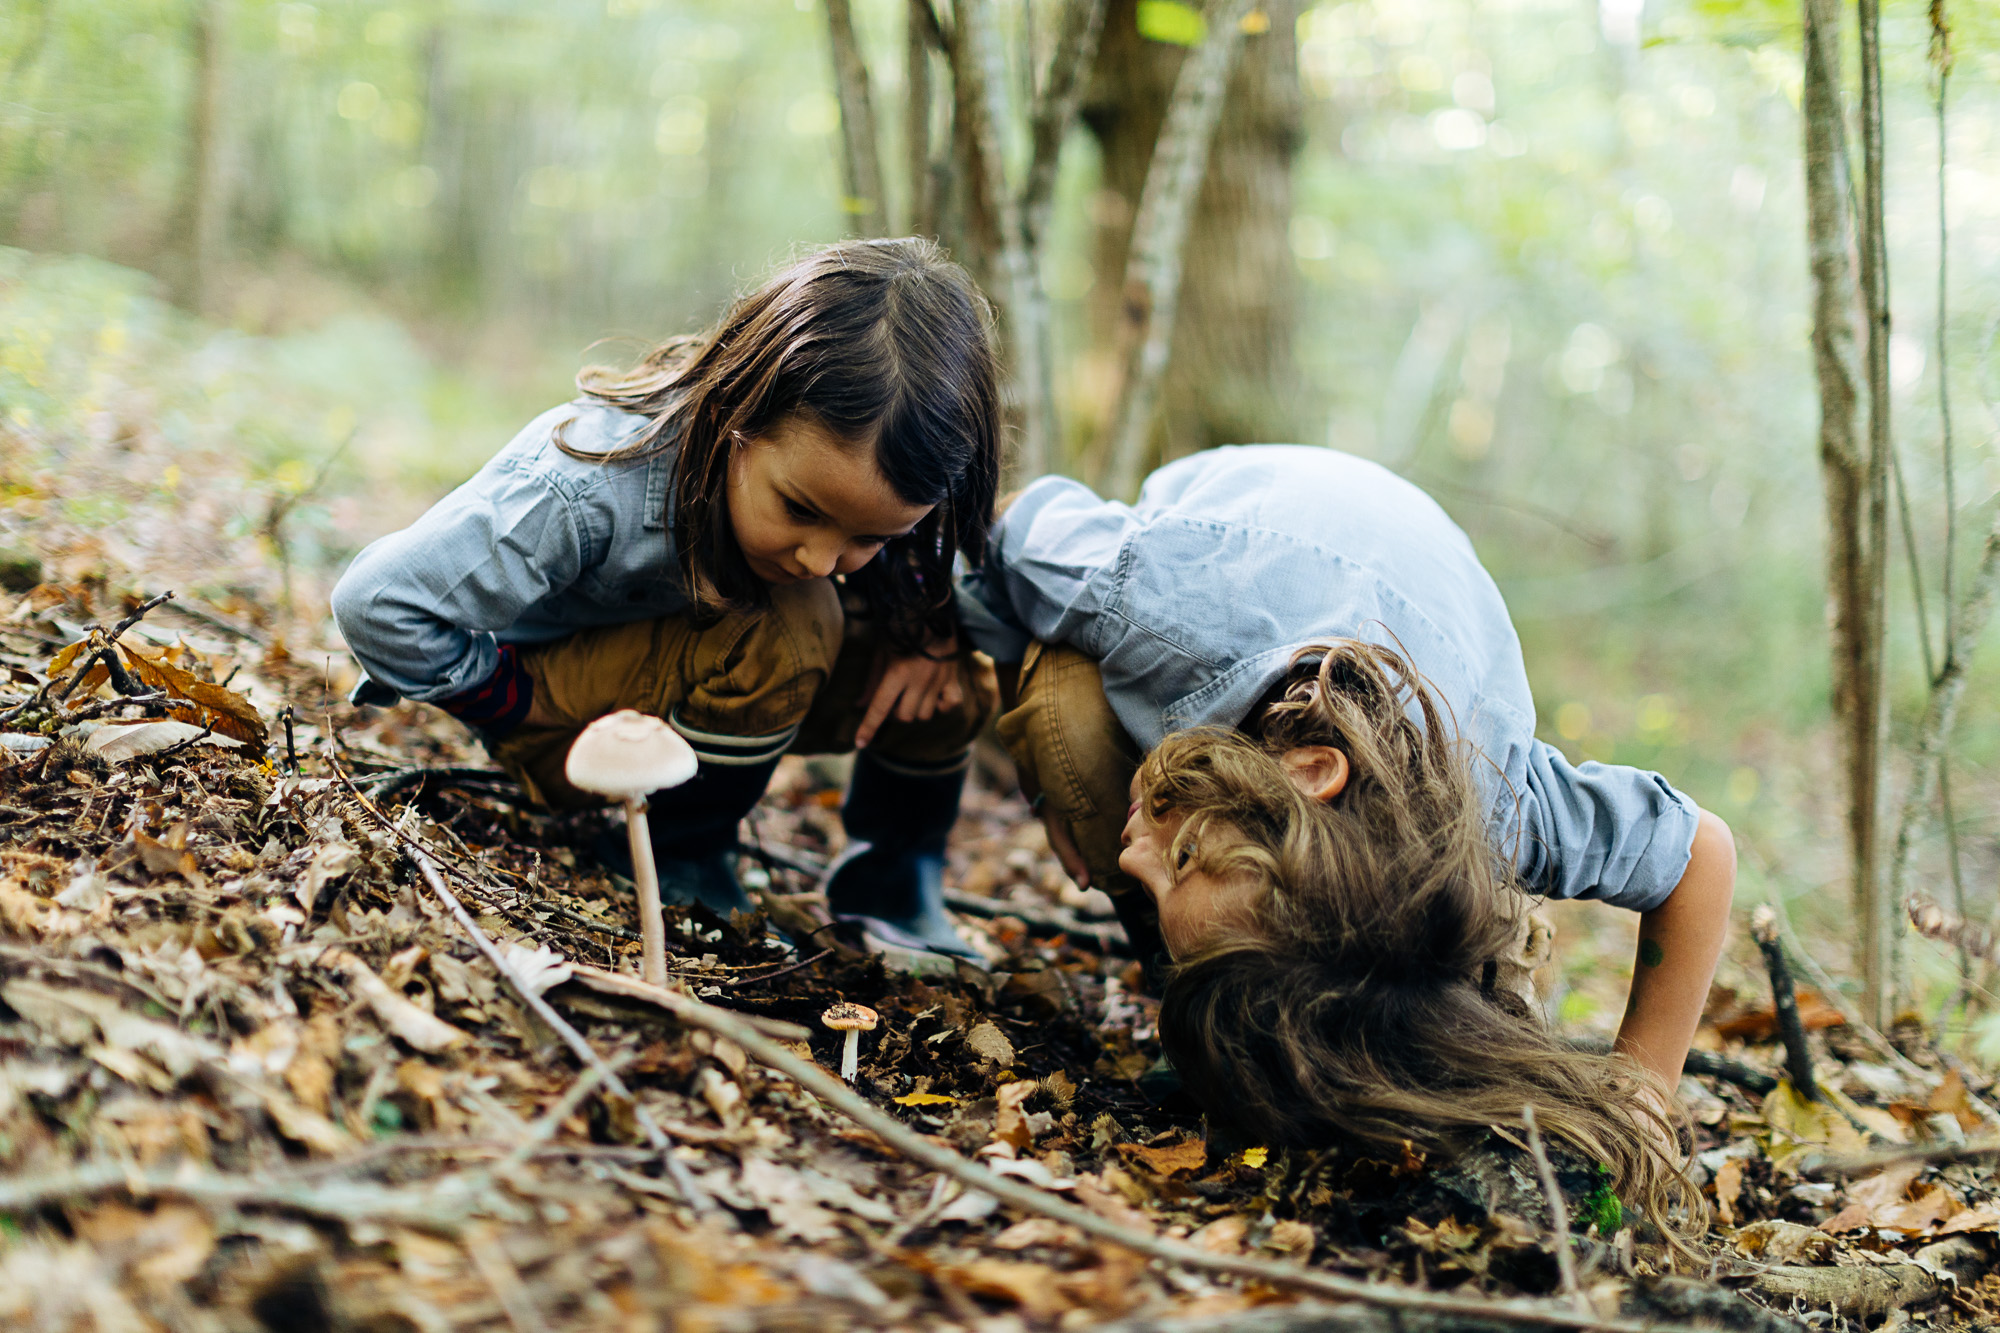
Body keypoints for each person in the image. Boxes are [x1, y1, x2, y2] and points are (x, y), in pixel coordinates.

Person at [955, 445, 1735, 1170]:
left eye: (1176, 858)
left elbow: (1699, 852)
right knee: (1070, 718)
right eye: (1182, 861)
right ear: (1305, 772)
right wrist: (1019, 728)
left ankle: (1240, 984)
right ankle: (1191, 990)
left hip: (1401, 622)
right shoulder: (1150, 598)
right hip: (1241, 561)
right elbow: (1007, 519)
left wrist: (1643, 1093)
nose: (1126, 862)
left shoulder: (1494, 804)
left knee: (1419, 987)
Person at [332, 238, 1001, 960]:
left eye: (870, 536)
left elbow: (945, 581)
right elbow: (379, 601)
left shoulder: (871, 499)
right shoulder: (581, 487)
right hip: (568, 719)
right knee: (799, 617)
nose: (820, 558)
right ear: (735, 415)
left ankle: (893, 889)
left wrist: (932, 634)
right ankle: (681, 861)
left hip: (682, 685)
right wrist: (507, 699)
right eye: (800, 509)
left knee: (954, 671)